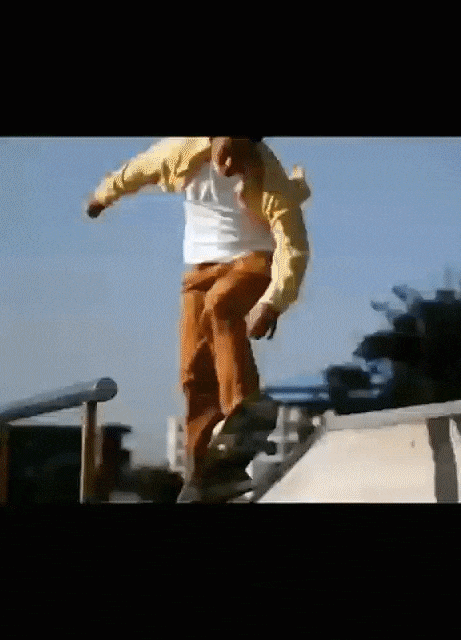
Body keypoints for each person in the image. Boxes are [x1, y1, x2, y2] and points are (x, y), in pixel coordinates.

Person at [87, 137, 311, 501]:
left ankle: (246, 411)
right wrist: (102, 196)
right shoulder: (181, 151)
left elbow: (294, 246)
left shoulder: (269, 176)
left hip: (254, 263)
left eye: (239, 159)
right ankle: (206, 472)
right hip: (199, 273)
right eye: (225, 155)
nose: (228, 167)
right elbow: (138, 170)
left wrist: (273, 303)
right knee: (193, 372)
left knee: (221, 305)